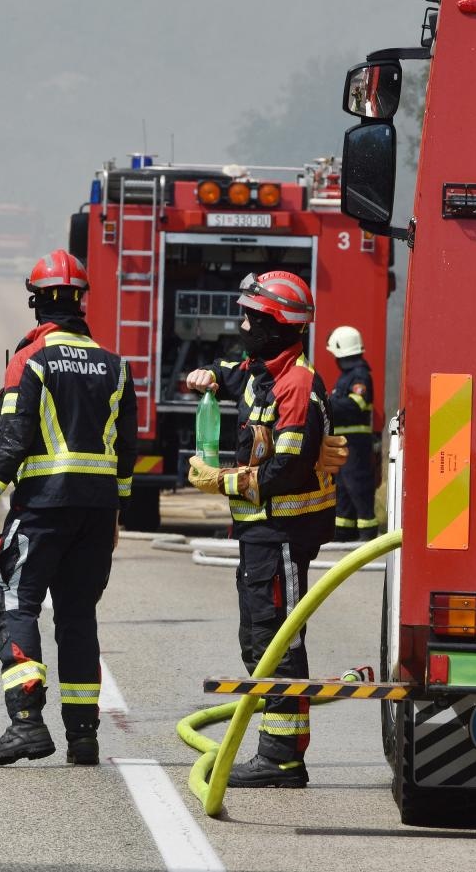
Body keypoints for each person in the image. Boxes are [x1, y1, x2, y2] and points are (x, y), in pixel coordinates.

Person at [0, 249, 135, 768]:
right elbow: (126, 451)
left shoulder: (30, 360)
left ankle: (26, 724)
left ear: (36, 302)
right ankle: (83, 736)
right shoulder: (114, 365)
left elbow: (13, 440)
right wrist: (117, 511)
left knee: (15, 601)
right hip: (98, 513)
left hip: (44, 509)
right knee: (79, 618)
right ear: (80, 300)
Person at [183, 271, 345, 788]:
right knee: (259, 640)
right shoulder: (261, 372)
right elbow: (229, 372)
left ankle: (282, 758)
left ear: (276, 326)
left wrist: (221, 481)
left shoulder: (296, 384)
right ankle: (277, 751)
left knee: (280, 643)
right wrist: (205, 374)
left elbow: (286, 472)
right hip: (260, 538)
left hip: (282, 536)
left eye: (251, 316)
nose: (242, 322)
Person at [325, 325, 379, 542]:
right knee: (343, 488)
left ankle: (367, 532)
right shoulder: (347, 376)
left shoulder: (359, 376)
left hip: (356, 444)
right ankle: (343, 530)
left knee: (358, 486)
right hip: (345, 442)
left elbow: (355, 405)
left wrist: (329, 402)